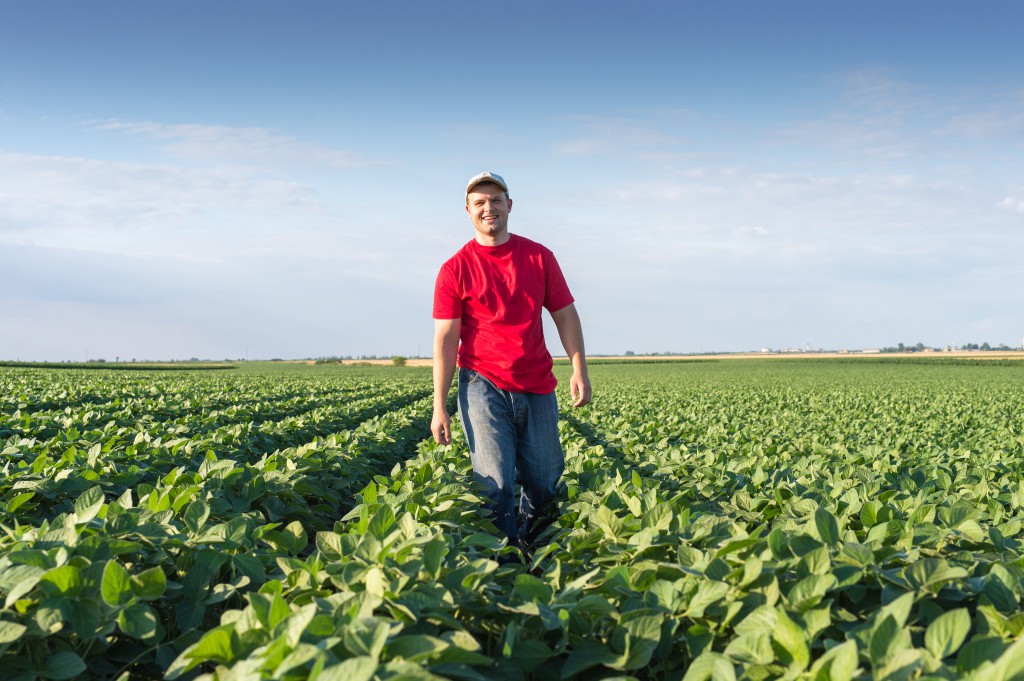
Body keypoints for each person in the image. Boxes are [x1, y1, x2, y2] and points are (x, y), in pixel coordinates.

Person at [431, 171, 591, 554]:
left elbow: (565, 314)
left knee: (544, 481)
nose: (489, 208)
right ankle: (501, 559)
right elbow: (446, 339)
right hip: (481, 383)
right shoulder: (455, 269)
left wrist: (579, 368)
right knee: (494, 484)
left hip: (536, 382)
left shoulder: (538, 256)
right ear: (468, 211)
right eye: (480, 202)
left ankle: (537, 547)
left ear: (509, 206)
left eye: (496, 200)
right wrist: (439, 404)